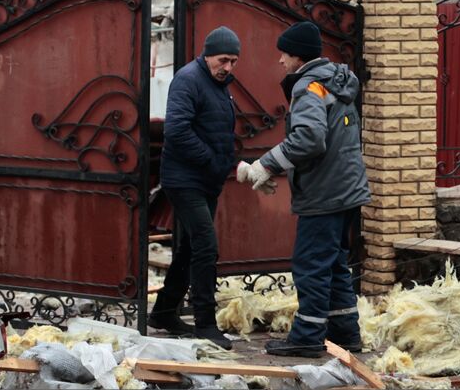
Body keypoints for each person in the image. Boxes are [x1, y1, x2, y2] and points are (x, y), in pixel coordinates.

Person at [240, 21, 371, 357]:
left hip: (324, 193)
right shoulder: (336, 82)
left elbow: (309, 139)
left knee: (311, 264)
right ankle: (345, 333)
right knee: (335, 263)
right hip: (346, 189)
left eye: (284, 54)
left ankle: (307, 336)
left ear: (298, 56)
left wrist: (266, 164)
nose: (281, 61)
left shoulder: (308, 86)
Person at [148, 26, 241, 349]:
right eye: (223, 60)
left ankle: (163, 312)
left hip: (206, 181)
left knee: (188, 249)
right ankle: (205, 323)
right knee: (205, 247)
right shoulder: (188, 80)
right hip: (184, 180)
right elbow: (177, 131)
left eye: (233, 61)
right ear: (208, 55)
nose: (228, 67)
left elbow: (217, 130)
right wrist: (214, 161)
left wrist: (226, 162)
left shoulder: (221, 85)